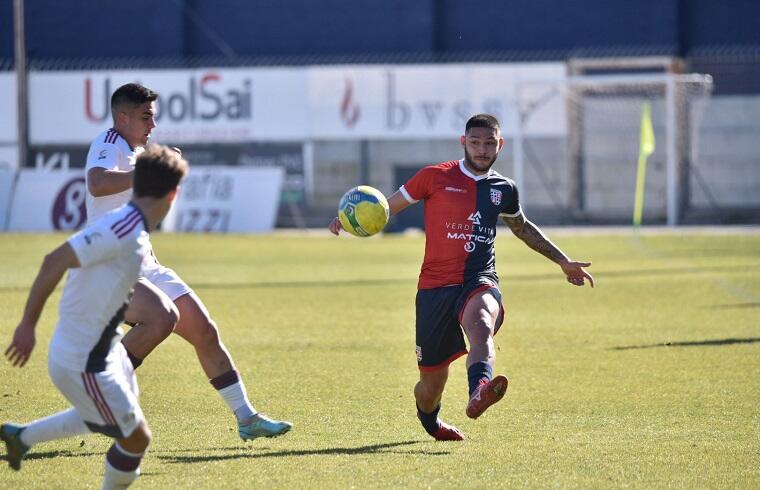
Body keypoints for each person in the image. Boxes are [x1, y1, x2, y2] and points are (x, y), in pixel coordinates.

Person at [329, 114, 594, 441]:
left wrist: (563, 260)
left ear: (500, 144)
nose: (482, 150)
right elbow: (386, 207)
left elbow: (522, 227)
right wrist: (348, 219)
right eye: (475, 142)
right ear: (463, 142)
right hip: (434, 289)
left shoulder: (504, 189)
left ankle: (480, 388)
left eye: (489, 143)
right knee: (430, 386)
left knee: (481, 321)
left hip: (479, 279)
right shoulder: (433, 176)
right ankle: (431, 422)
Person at [84, 83, 291, 440]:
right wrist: (148, 173)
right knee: (161, 320)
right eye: (146, 116)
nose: (153, 125)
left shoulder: (136, 151)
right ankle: (100, 383)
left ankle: (247, 418)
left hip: (143, 263)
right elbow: (96, 183)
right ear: (123, 117)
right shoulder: (108, 143)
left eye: (154, 116)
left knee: (204, 330)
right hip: (109, 266)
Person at [1, 145, 187, 488]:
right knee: (134, 437)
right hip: (82, 358)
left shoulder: (132, 228)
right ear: (173, 194)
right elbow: (53, 261)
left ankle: (21, 437)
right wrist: (27, 326)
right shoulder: (122, 229)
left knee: (105, 418)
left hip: (105, 349)